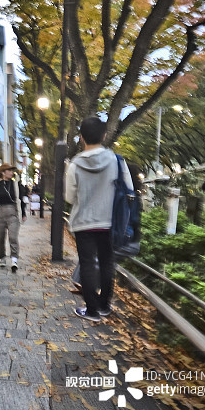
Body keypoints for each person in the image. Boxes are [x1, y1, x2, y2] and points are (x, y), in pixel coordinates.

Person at [65, 116, 133, 322]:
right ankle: (104, 305)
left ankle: (91, 310)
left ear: (81, 137)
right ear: (104, 135)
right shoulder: (117, 161)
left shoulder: (75, 164)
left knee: (86, 264)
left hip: (84, 222)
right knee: (106, 262)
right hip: (109, 222)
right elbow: (128, 190)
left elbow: (69, 197)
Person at [0, 163, 29, 272]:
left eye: (12, 171)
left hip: (13, 213)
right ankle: (2, 257)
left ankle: (14, 259)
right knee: (0, 237)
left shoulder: (16, 185)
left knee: (13, 237)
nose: (11, 172)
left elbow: (20, 200)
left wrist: (24, 214)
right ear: (3, 172)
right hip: (0, 214)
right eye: (9, 170)